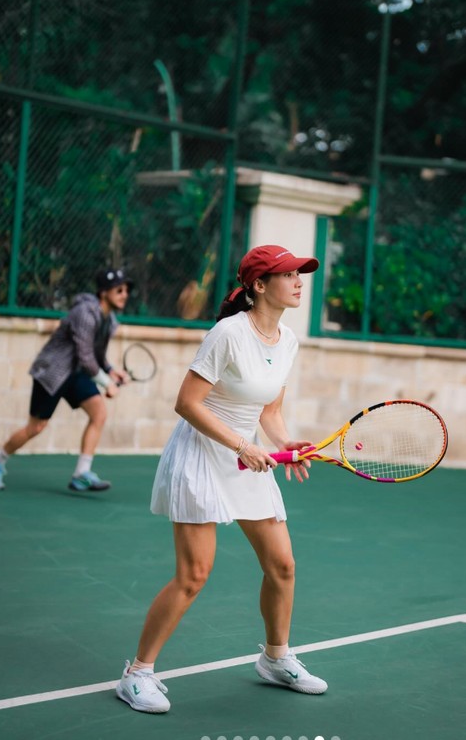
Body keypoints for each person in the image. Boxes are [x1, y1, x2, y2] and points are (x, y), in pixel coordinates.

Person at [116, 244, 328, 715]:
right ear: (258, 285)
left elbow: (268, 409)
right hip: (201, 456)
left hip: (245, 456)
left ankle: (276, 659)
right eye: (288, 274)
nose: (298, 281)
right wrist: (242, 445)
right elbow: (186, 403)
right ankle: (137, 675)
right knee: (194, 574)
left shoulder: (287, 340)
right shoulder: (227, 334)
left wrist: (284, 443)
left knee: (283, 566)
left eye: (301, 274)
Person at [0, 267, 133, 493]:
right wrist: (106, 383)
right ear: (103, 293)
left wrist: (112, 371)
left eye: (126, 290)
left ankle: (81, 473)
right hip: (52, 372)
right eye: (119, 289)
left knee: (99, 412)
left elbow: (97, 354)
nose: (124, 294)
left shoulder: (109, 320)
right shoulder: (85, 312)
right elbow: (84, 354)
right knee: (36, 427)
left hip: (76, 374)